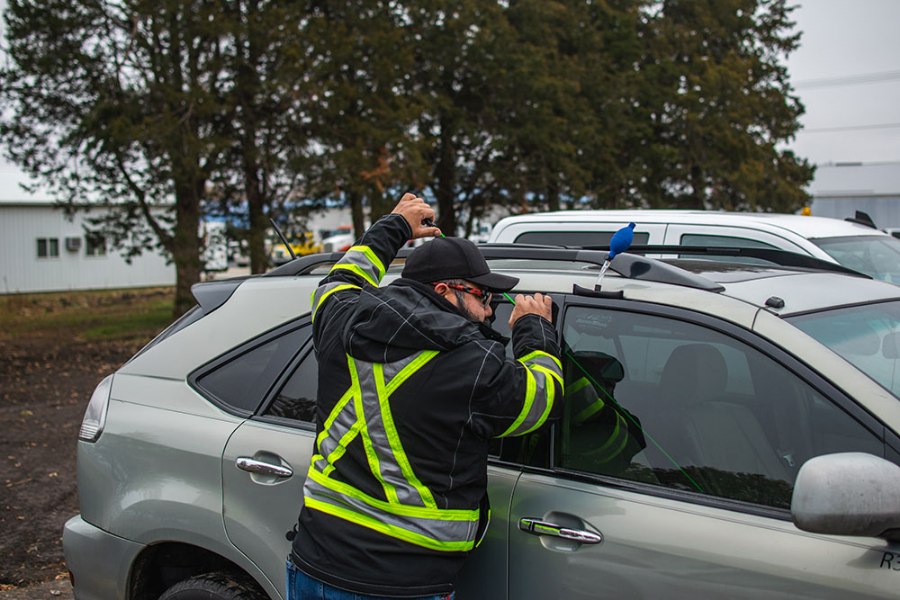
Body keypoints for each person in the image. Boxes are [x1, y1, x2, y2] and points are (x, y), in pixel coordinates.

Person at [287, 193, 563, 599]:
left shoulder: (340, 318)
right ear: (444, 290)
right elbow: (540, 402)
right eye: (482, 296)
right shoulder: (474, 363)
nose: (490, 311)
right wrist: (535, 330)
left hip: (313, 567)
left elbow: (340, 280)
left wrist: (395, 225)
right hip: (402, 586)